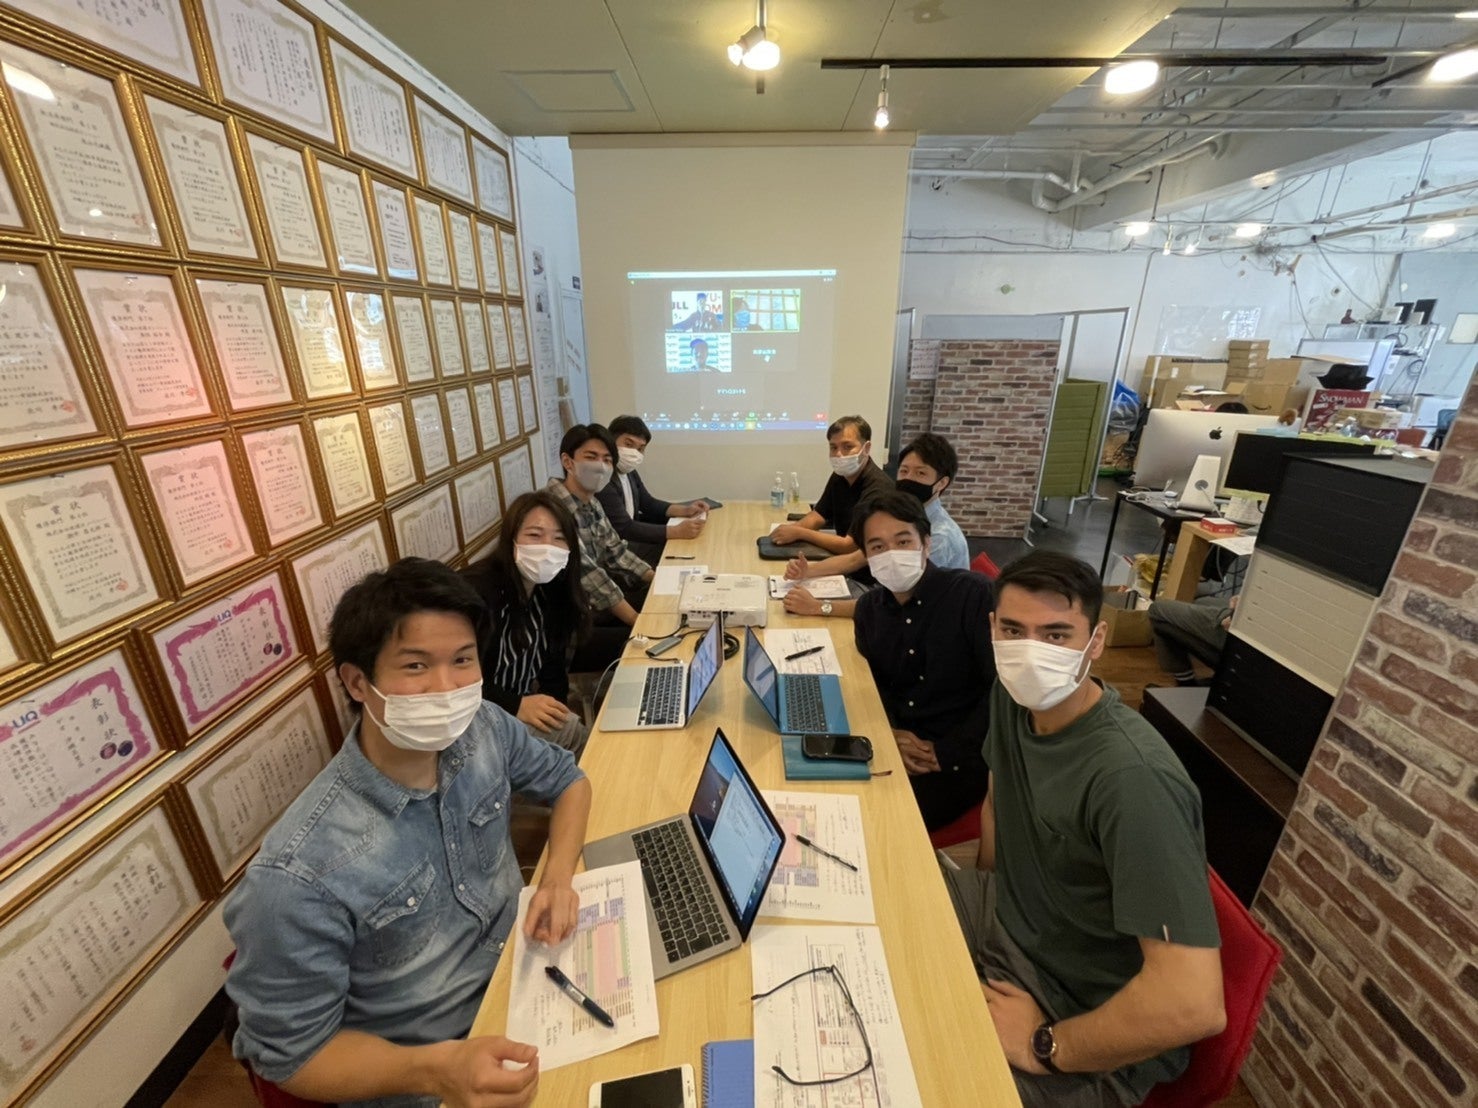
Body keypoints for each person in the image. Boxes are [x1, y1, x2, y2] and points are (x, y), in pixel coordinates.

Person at [225, 558, 592, 1108]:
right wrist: (437, 1071)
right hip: (433, 1076)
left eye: (462, 660)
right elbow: (294, 1057)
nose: (447, 688)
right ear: (358, 682)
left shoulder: (485, 728)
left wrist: (557, 877)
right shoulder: (296, 875)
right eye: (416, 666)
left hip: (531, 977)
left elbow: (568, 781)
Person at [941, 551, 1223, 1107]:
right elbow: (998, 801)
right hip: (1013, 923)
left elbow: (1193, 1004)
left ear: (1096, 642)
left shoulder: (1132, 779)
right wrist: (983, 903)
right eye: (1013, 631)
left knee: (929, 1076)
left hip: (1082, 1014)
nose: (1031, 653)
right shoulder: (1012, 697)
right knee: (874, 916)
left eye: (1056, 635)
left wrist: (1045, 1045)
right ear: (992, 629)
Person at [851, 492, 994, 830]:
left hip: (960, 757)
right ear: (867, 557)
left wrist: (946, 752)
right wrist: (889, 734)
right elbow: (878, 689)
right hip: (894, 746)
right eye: (877, 547)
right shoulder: (868, 610)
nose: (892, 554)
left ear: (926, 544)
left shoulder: (973, 595)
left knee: (873, 824)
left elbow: (1003, 689)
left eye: (903, 542)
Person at [783, 431, 969, 618]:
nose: (909, 479)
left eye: (920, 473)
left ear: (941, 483)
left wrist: (820, 607)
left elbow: (901, 604)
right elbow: (855, 559)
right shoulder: (899, 514)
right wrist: (807, 571)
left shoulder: (940, 537)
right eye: (904, 471)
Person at [464, 490, 592, 755]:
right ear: (511, 539)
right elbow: (459, 681)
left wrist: (555, 710)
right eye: (534, 535)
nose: (547, 547)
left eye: (559, 538)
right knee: (578, 735)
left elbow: (553, 669)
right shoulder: (479, 593)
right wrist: (516, 705)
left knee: (567, 726)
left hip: (515, 703)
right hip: (476, 714)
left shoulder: (551, 590)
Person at [545, 424, 655, 671]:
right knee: (652, 645)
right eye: (591, 457)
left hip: (591, 609)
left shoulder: (590, 501)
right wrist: (639, 623)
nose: (601, 466)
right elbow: (591, 577)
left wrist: (658, 580)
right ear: (568, 461)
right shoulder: (551, 511)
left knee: (664, 608)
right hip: (568, 632)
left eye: (607, 460)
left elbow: (617, 552)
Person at [770, 414, 892, 559]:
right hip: (842, 559)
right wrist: (789, 531)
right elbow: (819, 515)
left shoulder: (879, 488)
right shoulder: (840, 476)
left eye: (848, 447)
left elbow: (850, 546)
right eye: (833, 447)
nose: (838, 454)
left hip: (867, 568)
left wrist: (800, 533)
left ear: (866, 448)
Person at [596, 414, 710, 566]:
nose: (634, 453)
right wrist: (676, 531)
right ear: (610, 442)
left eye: (640, 449)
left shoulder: (629, 472)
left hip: (631, 539)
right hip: (616, 549)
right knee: (680, 553)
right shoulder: (603, 479)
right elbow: (624, 527)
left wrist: (685, 510)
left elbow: (648, 503)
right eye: (628, 444)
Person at [1147, 594, 1237, 687]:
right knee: (1202, 602)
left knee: (1156, 610)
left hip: (1238, 623)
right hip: (1239, 612)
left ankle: (1186, 683)